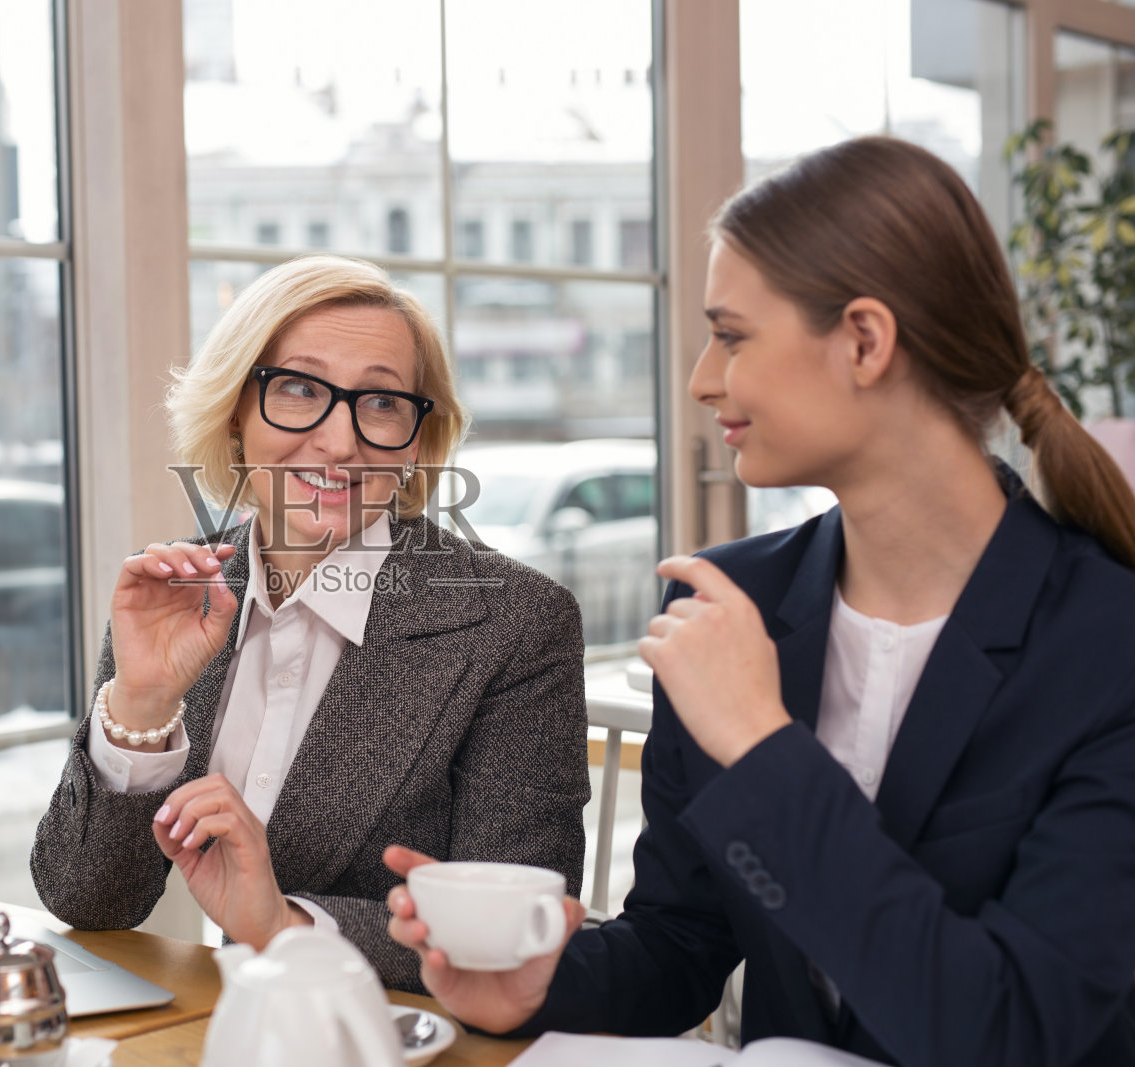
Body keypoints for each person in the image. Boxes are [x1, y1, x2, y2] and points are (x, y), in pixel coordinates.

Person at [385, 136, 1135, 1065]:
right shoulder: (730, 601)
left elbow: (1011, 1027)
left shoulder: (1108, 644)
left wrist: (762, 743)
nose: (703, 379)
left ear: (865, 340)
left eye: (732, 335)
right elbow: (683, 940)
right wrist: (544, 979)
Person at [31, 254, 591, 991]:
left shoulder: (514, 623)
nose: (338, 441)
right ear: (237, 411)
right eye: (298, 388)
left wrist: (282, 924)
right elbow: (88, 902)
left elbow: (513, 939)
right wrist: (140, 706)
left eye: (383, 402)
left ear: (417, 441)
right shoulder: (172, 593)